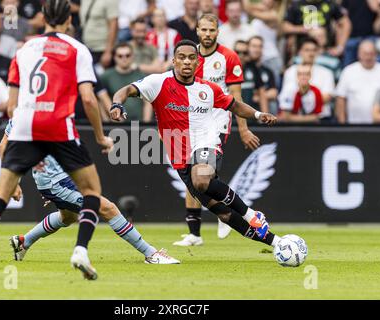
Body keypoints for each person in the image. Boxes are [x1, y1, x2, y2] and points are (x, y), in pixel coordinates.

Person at [0, 0, 115, 280]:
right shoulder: (77, 49)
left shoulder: (24, 50)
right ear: (69, 20)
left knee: (0, 196)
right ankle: (81, 250)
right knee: (92, 192)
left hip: (24, 125)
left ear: (43, 18)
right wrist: (100, 137)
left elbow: (11, 106)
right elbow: (88, 98)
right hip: (59, 126)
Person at [111, 39, 283, 255]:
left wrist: (258, 114)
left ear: (198, 63)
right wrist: (117, 104)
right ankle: (277, 243)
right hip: (178, 155)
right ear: (173, 60)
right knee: (223, 214)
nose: (186, 62)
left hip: (207, 142)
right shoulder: (158, 83)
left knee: (201, 179)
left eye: (191, 58)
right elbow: (126, 90)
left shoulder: (208, 89)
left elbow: (235, 105)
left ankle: (251, 214)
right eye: (181, 57)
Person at [1, 120, 178, 264]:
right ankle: (151, 254)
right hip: (57, 180)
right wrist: (14, 182)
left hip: (64, 176)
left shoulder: (49, 110)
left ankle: (24, 242)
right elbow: (4, 148)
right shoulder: (28, 115)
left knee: (67, 218)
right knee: (108, 209)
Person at [173, 14, 260, 246]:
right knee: (192, 177)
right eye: (204, 30)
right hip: (191, 123)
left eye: (212, 30)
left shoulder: (228, 57)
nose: (207, 34)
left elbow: (236, 97)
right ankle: (195, 233)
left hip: (216, 123)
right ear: (197, 31)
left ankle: (224, 212)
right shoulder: (189, 57)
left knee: (203, 175)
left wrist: (243, 129)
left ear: (217, 31)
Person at [280, 37, 335, 122]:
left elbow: (327, 97)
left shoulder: (326, 73)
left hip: (321, 119)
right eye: (307, 50)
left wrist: (300, 96)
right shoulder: (290, 71)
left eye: (314, 50)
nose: (311, 53)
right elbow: (286, 97)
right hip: (295, 119)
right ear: (300, 52)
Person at [335, 40, 380, 124]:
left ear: (376, 54)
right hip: (354, 125)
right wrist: (342, 124)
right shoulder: (349, 71)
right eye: (365, 54)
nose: (368, 57)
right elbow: (341, 98)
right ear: (359, 54)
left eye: (371, 54)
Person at [282, 0, 351, 60]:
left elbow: (345, 23)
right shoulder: (297, 5)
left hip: (325, 53)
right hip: (301, 53)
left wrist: (340, 47)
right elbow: (284, 27)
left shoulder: (330, 4)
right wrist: (304, 29)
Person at [101, 43, 152, 122]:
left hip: (139, 124)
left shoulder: (141, 75)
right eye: (120, 56)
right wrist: (106, 120)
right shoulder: (106, 76)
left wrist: (146, 123)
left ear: (132, 56)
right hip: (115, 125)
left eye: (127, 55)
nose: (124, 58)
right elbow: (100, 100)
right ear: (114, 57)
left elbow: (148, 102)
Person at [79, 0, 118, 69]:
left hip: (102, 49)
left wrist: (108, 52)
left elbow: (113, 25)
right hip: (87, 48)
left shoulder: (110, 1)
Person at [235, 40, 268, 116]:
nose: (241, 55)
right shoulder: (227, 69)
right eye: (238, 52)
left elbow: (261, 92)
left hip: (251, 115)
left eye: (244, 53)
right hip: (232, 117)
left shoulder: (253, 68)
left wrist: (265, 115)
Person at [247, 35, 277, 114]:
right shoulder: (243, 68)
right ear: (247, 48)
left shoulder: (268, 71)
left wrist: (259, 96)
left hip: (262, 108)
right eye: (254, 46)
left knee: (273, 104)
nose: (257, 49)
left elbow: (274, 93)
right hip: (247, 108)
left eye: (260, 46)